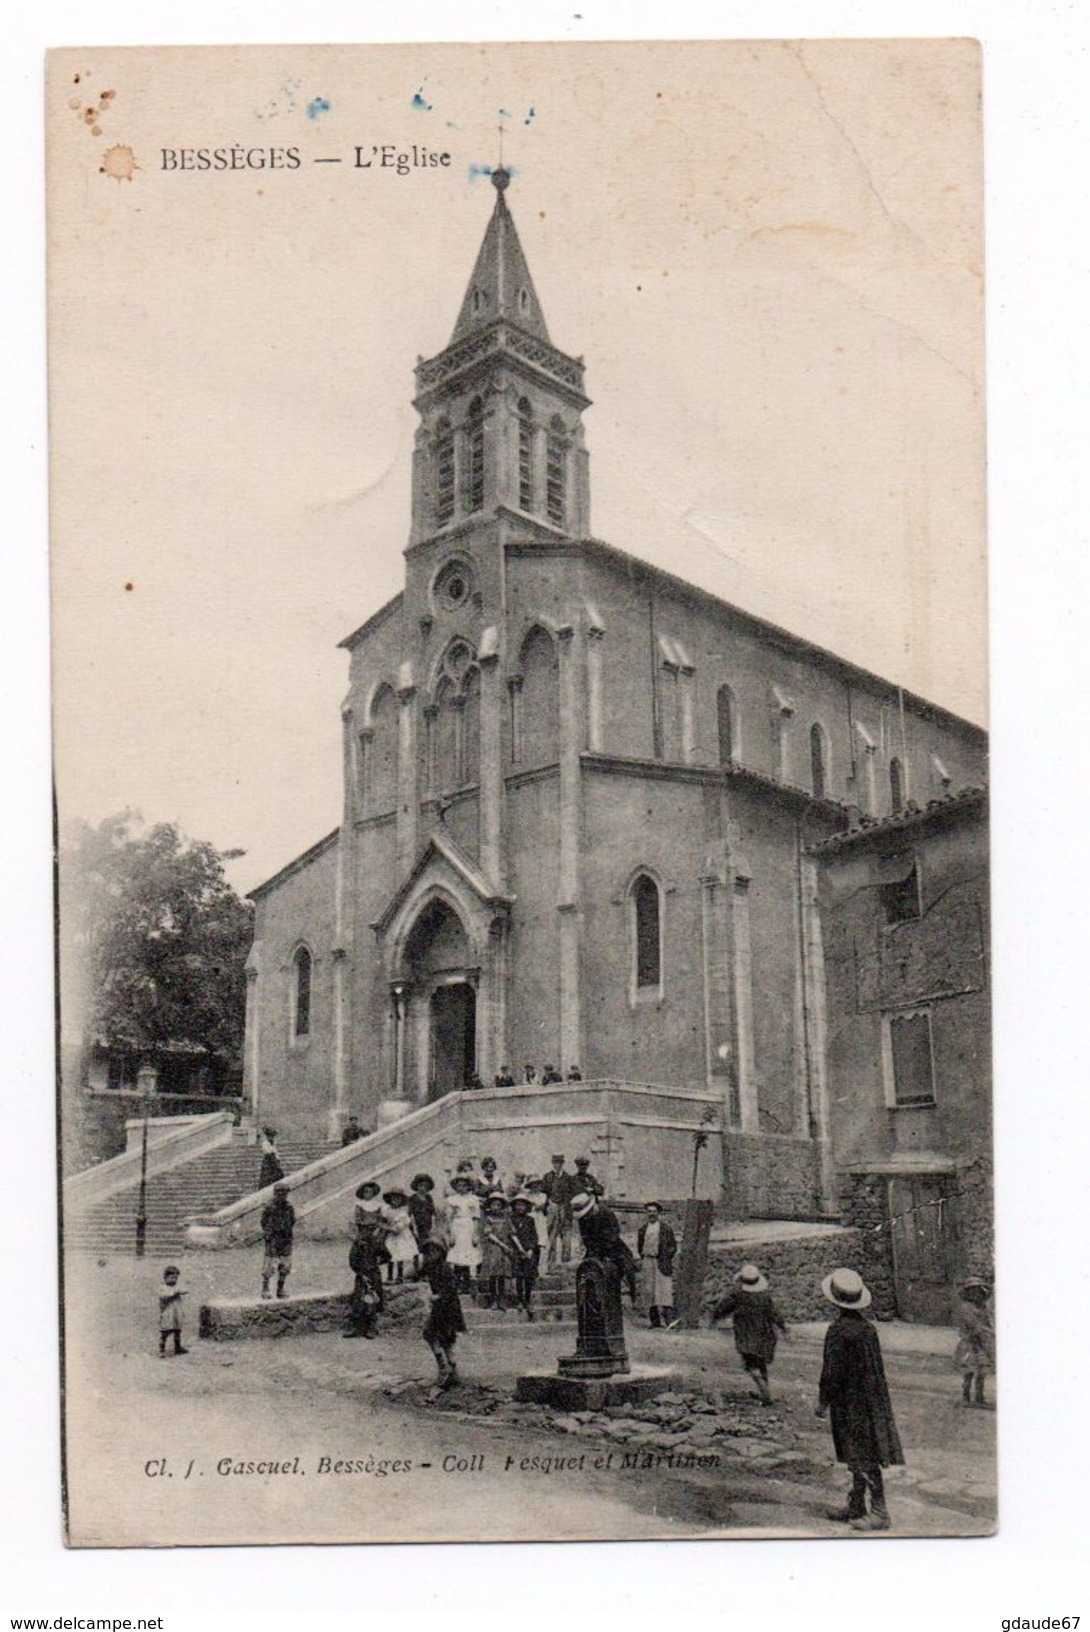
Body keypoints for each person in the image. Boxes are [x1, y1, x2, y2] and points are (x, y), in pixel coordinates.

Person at [816, 1268, 904, 1532]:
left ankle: (879, 1512)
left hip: (850, 1403)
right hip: (872, 1400)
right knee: (862, 1453)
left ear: (834, 1300)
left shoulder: (837, 1331)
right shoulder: (869, 1329)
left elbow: (830, 1372)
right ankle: (856, 1505)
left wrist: (823, 1402)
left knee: (862, 1455)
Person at [709, 1263, 787, 1401]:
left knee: (750, 1363)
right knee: (761, 1362)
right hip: (765, 1334)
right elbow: (774, 1313)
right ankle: (765, 1391)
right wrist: (783, 1327)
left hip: (746, 1334)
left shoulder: (738, 1294)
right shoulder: (764, 1296)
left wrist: (714, 1317)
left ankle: (760, 1384)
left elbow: (723, 1307)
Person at [570, 1190, 639, 1302]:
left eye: (587, 1213)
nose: (586, 1216)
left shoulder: (606, 1213)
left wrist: (604, 1254)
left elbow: (613, 1236)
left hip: (613, 1248)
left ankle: (631, 1296)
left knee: (625, 1267)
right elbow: (586, 1238)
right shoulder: (583, 1219)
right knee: (587, 1272)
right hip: (594, 1250)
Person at [419, 1240, 466, 1393]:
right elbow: (416, 1273)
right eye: (427, 1252)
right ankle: (451, 1371)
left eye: (433, 1252)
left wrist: (437, 1296)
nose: (429, 1255)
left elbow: (452, 1288)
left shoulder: (446, 1268)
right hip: (440, 1308)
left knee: (440, 1336)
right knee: (437, 1336)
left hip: (448, 1308)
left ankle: (445, 1368)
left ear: (440, 1253)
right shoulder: (429, 1266)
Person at [955, 1277, 995, 1408]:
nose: (976, 1293)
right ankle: (966, 1396)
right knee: (969, 1371)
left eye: (978, 1291)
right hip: (969, 1343)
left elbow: (987, 1324)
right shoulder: (966, 1308)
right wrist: (983, 1334)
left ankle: (979, 1397)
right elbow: (974, 1326)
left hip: (982, 1343)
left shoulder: (983, 1308)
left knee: (982, 1371)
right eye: (972, 1291)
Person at [637, 1201, 678, 1329]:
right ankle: (655, 1322)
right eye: (649, 1211)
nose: (652, 1214)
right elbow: (639, 1246)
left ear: (658, 1213)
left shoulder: (666, 1229)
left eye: (654, 1212)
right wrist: (644, 1257)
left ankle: (669, 1322)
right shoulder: (643, 1229)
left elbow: (673, 1246)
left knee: (664, 1291)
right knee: (649, 1291)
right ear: (646, 1213)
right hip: (647, 1261)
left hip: (661, 1262)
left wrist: (665, 1256)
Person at [345, 1216, 385, 1339]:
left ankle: (372, 1327)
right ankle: (357, 1328)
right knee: (358, 1301)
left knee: (372, 1300)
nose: (365, 1232)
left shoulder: (376, 1243)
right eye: (362, 1229)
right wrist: (359, 1272)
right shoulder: (357, 1244)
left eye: (368, 1229)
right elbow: (352, 1260)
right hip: (361, 1276)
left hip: (373, 1275)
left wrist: (377, 1263)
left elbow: (387, 1255)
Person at [478, 1191, 515, 1308]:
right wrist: (501, 1244)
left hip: (505, 1248)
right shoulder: (488, 1218)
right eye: (493, 1204)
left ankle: (501, 1300)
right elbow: (488, 1234)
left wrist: (515, 1247)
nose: (496, 1207)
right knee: (494, 1275)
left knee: (502, 1275)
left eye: (498, 1205)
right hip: (494, 1248)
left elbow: (512, 1233)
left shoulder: (506, 1218)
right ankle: (493, 1300)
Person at [445, 1172, 481, 1292]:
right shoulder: (452, 1200)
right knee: (457, 1256)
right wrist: (451, 1234)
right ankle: (457, 1284)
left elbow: (476, 1217)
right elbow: (449, 1218)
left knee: (467, 1256)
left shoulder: (474, 1199)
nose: (462, 1188)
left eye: (464, 1185)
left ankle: (466, 1284)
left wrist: (475, 1234)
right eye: (459, 1185)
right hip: (457, 1227)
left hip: (469, 1227)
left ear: (469, 1186)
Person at [260, 1181, 295, 1300]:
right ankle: (265, 1288)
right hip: (273, 1238)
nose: (282, 1195)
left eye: (284, 1193)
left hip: (285, 1238)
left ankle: (280, 1288)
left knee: (285, 1265)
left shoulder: (289, 1207)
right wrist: (269, 1233)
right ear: (274, 1193)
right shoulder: (269, 1207)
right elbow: (263, 1222)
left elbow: (292, 1221)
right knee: (269, 1264)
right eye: (279, 1193)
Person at [541, 1153, 576, 1267]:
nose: (557, 1165)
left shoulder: (569, 1178)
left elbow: (573, 1194)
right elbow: (543, 1194)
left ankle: (566, 1265)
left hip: (566, 1212)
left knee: (566, 1240)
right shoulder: (547, 1177)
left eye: (560, 1162)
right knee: (552, 1239)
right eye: (555, 1162)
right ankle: (551, 1265)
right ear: (552, 1163)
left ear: (563, 1163)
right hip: (552, 1212)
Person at [509, 1193, 541, 1320]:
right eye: (518, 1204)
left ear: (527, 1207)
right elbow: (510, 1235)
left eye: (522, 1205)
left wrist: (531, 1249)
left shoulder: (530, 1220)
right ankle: (520, 1300)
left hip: (529, 1251)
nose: (520, 1207)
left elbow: (534, 1236)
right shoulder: (511, 1219)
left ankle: (528, 1300)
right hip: (517, 1251)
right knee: (519, 1277)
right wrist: (519, 1249)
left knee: (528, 1277)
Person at [382, 1187, 417, 1284]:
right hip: (391, 1236)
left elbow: (405, 1223)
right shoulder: (387, 1211)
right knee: (390, 1255)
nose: (395, 1201)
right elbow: (383, 1221)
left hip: (401, 1235)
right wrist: (386, 1227)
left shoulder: (403, 1211)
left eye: (398, 1199)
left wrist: (396, 1227)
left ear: (401, 1200)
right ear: (390, 1200)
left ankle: (400, 1276)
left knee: (400, 1256)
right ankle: (389, 1276)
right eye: (393, 1198)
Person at [158, 1264, 189, 1357]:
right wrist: (174, 1293)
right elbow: (163, 1296)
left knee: (177, 1331)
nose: (173, 1280)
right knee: (165, 1333)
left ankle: (178, 1347)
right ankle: (161, 1350)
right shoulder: (163, 1288)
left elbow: (184, 1290)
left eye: (175, 1278)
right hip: (167, 1314)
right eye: (171, 1277)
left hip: (176, 1313)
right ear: (165, 1277)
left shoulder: (176, 1286)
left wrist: (183, 1289)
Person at [408, 1173, 437, 1257]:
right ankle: (416, 1267)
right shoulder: (413, 1198)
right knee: (416, 1249)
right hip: (417, 1226)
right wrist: (414, 1228)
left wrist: (433, 1227)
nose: (423, 1188)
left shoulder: (429, 1198)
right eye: (421, 1186)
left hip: (427, 1226)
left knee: (427, 1247)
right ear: (416, 1186)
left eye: (425, 1186)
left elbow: (432, 1213)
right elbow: (410, 1214)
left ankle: (426, 1266)